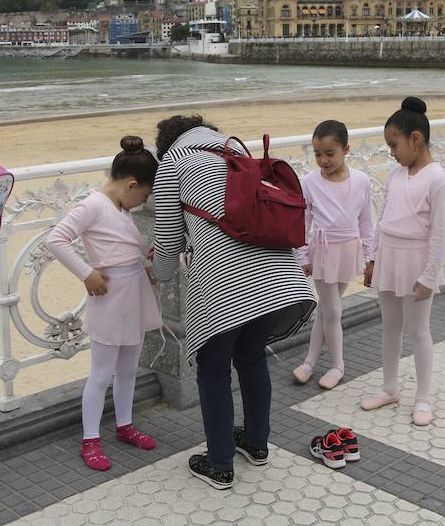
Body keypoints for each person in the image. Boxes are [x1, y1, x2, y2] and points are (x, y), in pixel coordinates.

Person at [151, 115, 315, 489]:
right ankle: (256, 444)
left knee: (212, 370)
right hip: (279, 279)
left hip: (226, 288)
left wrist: (157, 268)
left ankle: (220, 462)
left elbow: (167, 253)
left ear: (166, 144)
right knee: (252, 357)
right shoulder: (235, 150)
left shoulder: (173, 164)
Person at [45, 136, 162, 471]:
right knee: (101, 373)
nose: (143, 202)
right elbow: (56, 239)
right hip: (109, 296)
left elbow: (124, 249)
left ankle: (124, 425)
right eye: (144, 194)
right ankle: (90, 439)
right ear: (131, 184)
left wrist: (147, 260)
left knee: (127, 369)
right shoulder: (92, 205)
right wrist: (85, 272)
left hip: (132, 292)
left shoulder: (116, 207)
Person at [361, 97, 445, 427]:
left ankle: (423, 397)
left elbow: (440, 233)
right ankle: (389, 388)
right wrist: (372, 259)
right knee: (390, 326)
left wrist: (429, 275)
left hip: (416, 261)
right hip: (389, 257)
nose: (391, 152)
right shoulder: (395, 175)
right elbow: (382, 218)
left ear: (415, 139)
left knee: (418, 330)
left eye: (393, 144)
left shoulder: (438, 178)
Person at [292, 120, 374, 390]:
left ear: (346, 149)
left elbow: (366, 223)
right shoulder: (309, 182)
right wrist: (302, 255)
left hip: (348, 249)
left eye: (329, 154)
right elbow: (302, 223)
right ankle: (338, 365)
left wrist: (370, 257)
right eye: (317, 154)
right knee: (333, 310)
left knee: (328, 310)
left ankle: (310, 361)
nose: (323, 160)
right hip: (324, 251)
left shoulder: (361, 181)